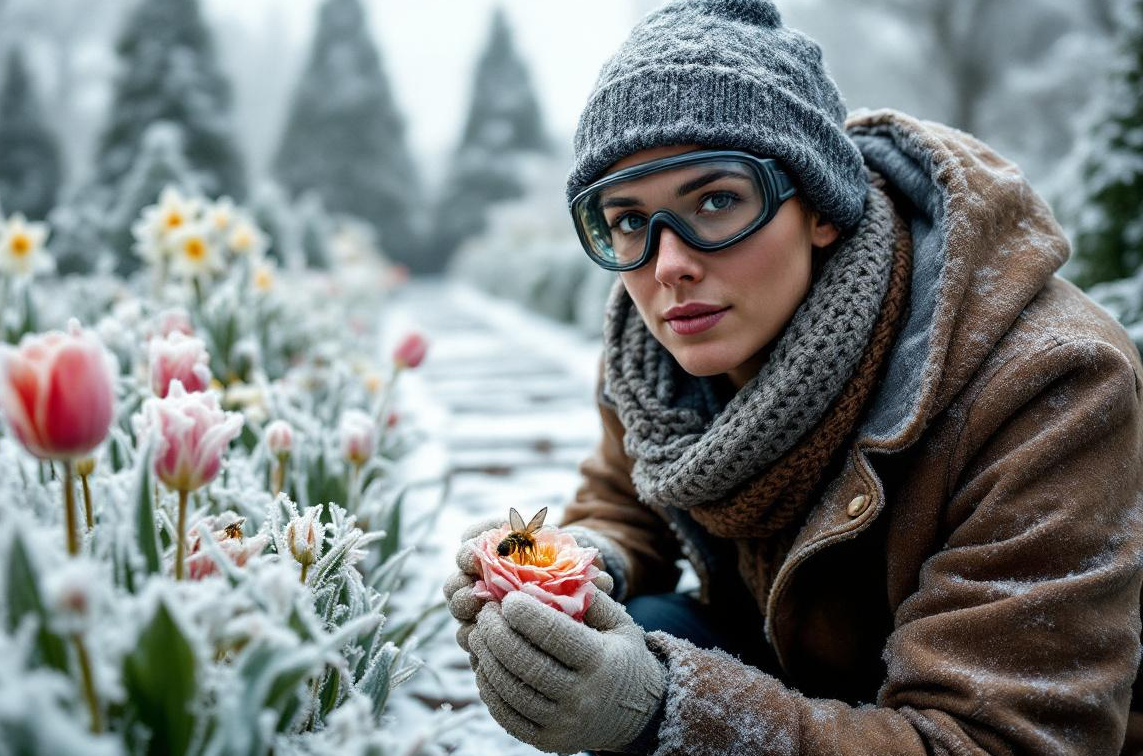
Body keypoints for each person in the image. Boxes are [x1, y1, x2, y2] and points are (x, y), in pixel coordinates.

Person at [441, 0, 1143, 753]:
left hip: (940, 723)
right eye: (627, 220)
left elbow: (1001, 740)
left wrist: (661, 709)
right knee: (633, 625)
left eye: (715, 201)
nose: (668, 264)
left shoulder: (1048, 386)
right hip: (801, 682)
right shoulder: (657, 356)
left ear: (820, 207)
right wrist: (569, 569)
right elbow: (626, 500)